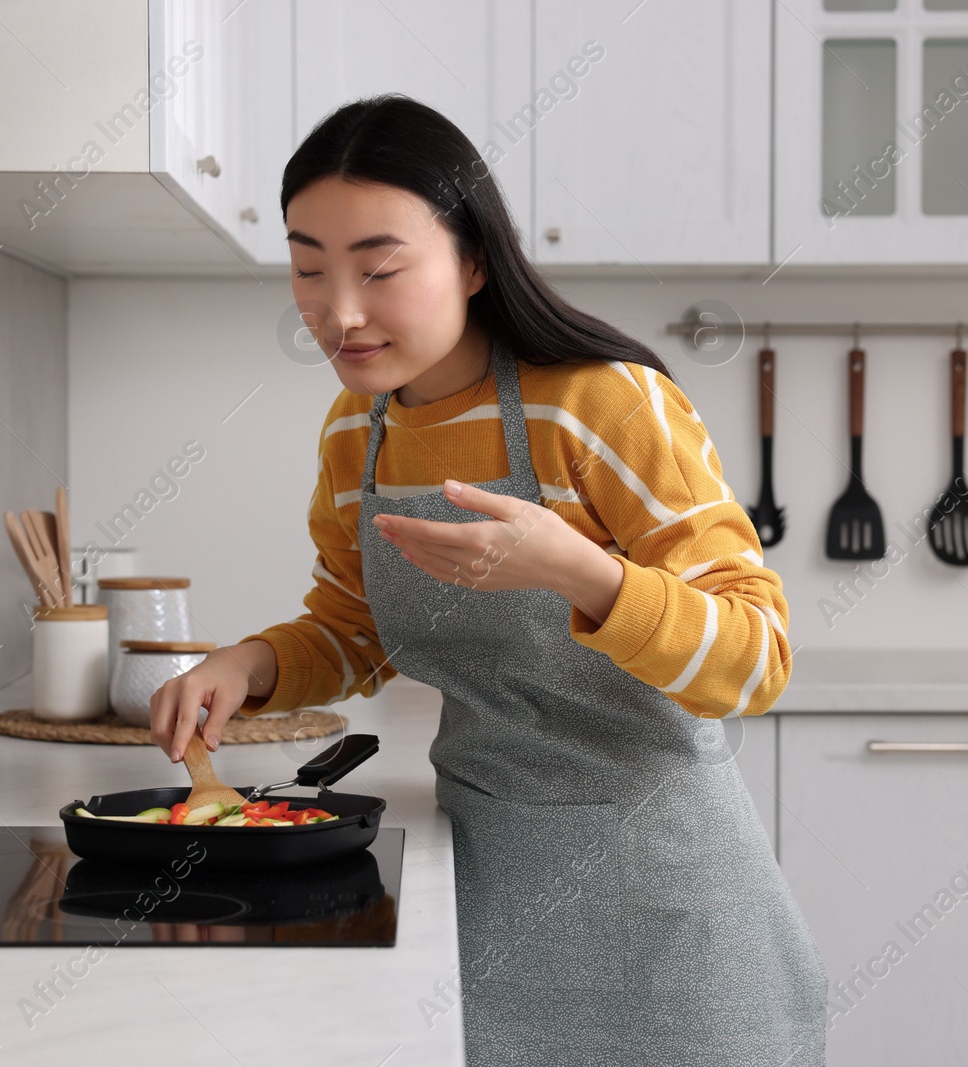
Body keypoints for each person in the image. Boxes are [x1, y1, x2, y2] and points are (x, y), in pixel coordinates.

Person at [149, 94, 827, 1066]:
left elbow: (756, 659)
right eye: (307, 269)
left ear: (472, 258)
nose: (337, 312)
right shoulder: (358, 430)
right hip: (485, 875)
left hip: (662, 893)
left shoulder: (602, 405)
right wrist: (248, 665)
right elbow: (354, 626)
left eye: (379, 269)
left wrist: (581, 572)